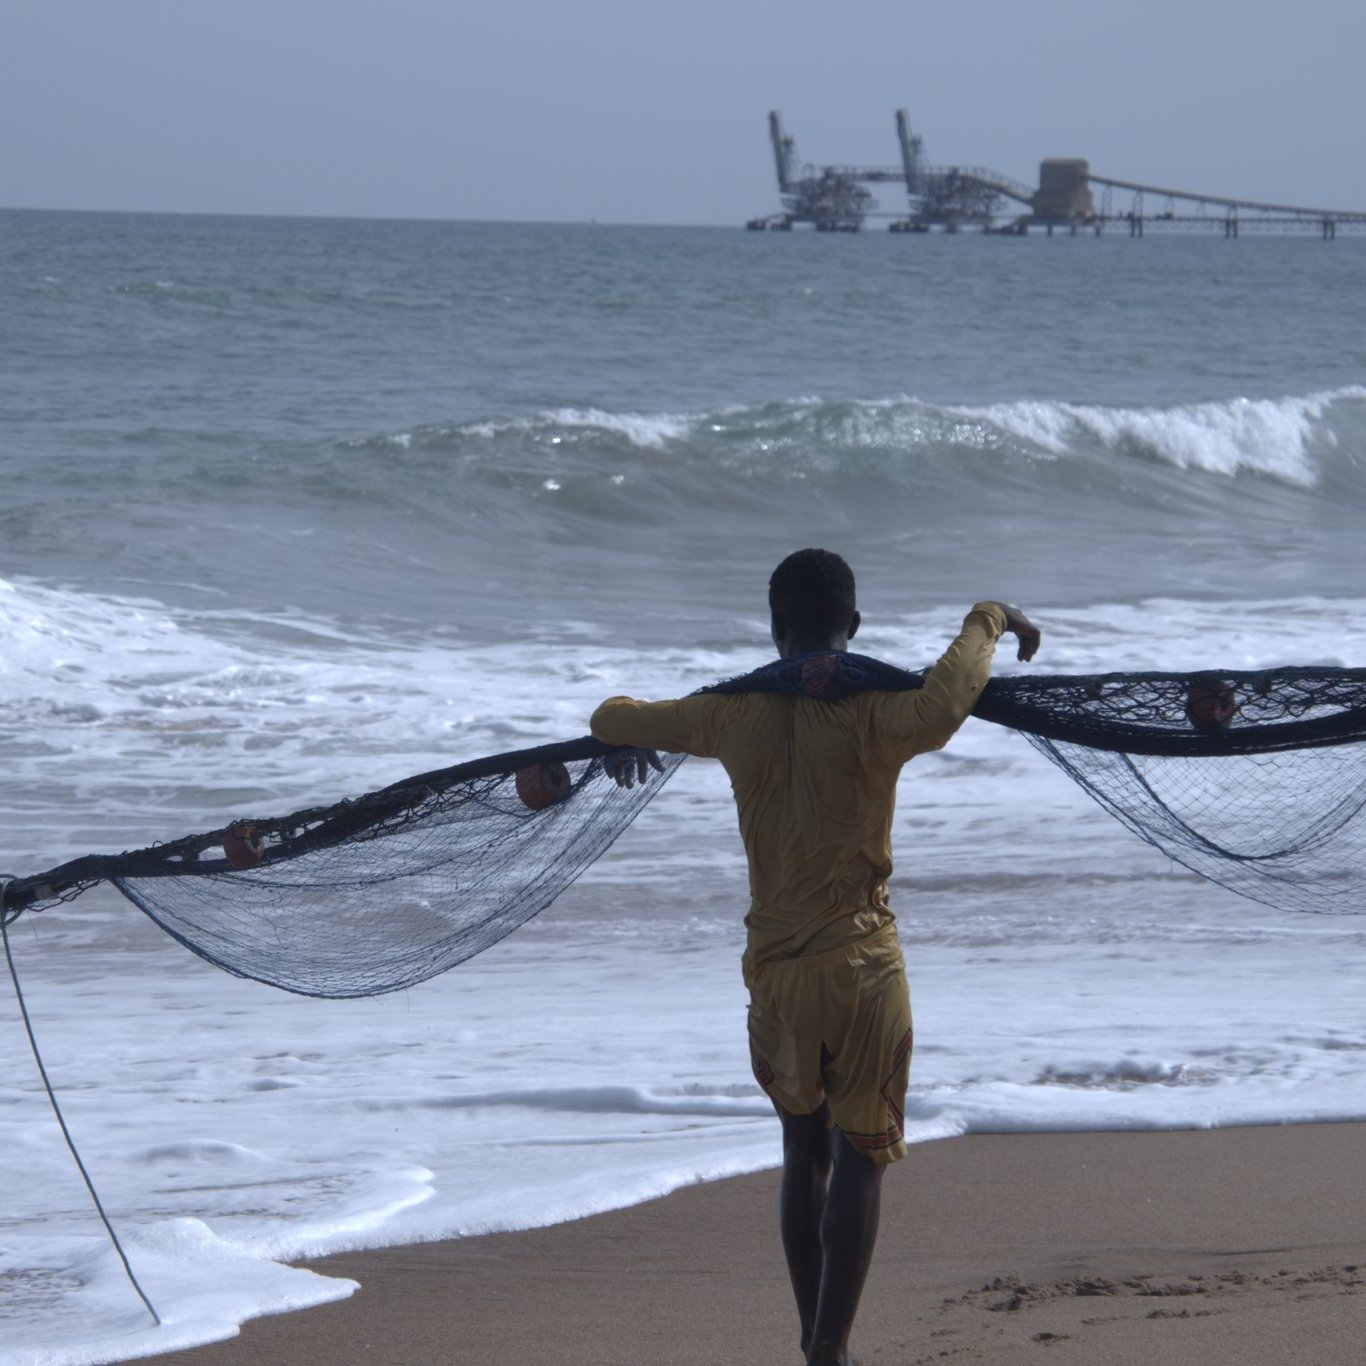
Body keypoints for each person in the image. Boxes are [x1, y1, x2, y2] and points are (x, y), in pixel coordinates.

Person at [590, 549, 1039, 1366]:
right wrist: (992, 618)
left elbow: (610, 718)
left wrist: (624, 732)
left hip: (778, 979)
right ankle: (832, 1347)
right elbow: (946, 701)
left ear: (774, 626)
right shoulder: (874, 710)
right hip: (865, 967)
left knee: (804, 1149)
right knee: (863, 1158)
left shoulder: (728, 716)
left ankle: (812, 1344)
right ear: (855, 627)